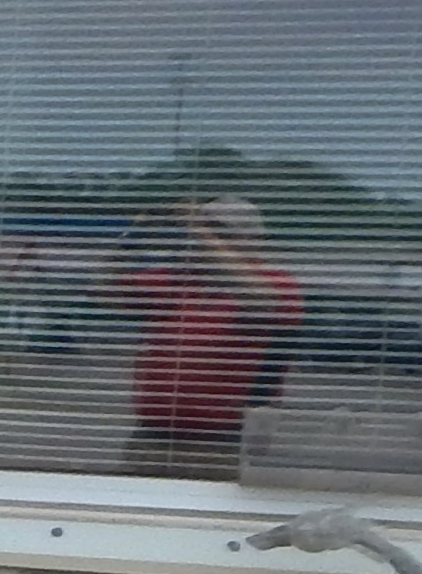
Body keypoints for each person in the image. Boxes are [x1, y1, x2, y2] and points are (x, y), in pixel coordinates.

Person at [112, 194, 304, 475]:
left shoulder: (278, 285)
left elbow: (260, 302)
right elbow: (108, 289)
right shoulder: (177, 280)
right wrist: (135, 234)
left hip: (222, 440)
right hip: (153, 435)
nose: (196, 239)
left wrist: (197, 228)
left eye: (213, 230)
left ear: (249, 239)